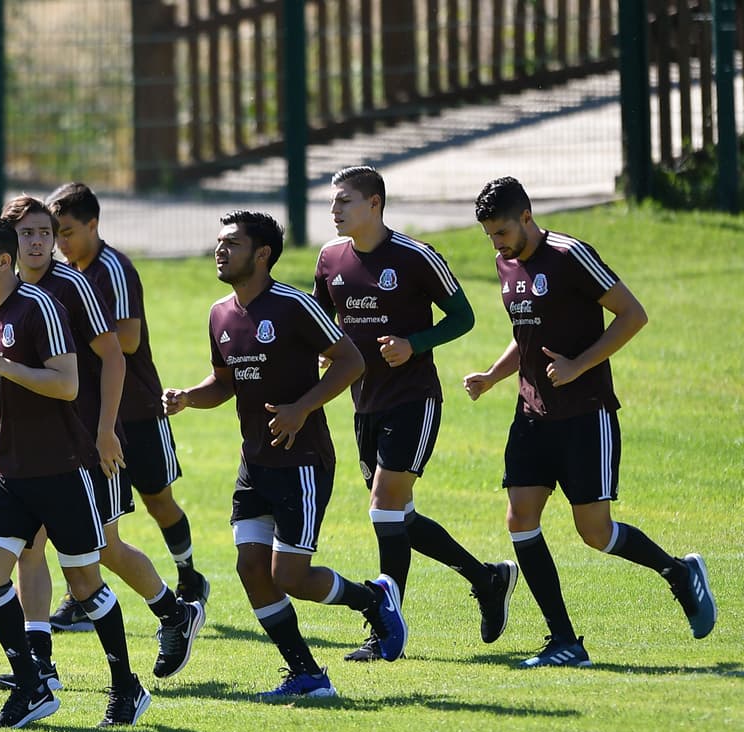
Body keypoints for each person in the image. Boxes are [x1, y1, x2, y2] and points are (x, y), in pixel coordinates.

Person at [465, 177, 715, 666]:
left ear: (527, 217)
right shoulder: (506, 265)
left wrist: (580, 364)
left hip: (585, 415)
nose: (496, 243)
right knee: (520, 519)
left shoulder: (570, 255)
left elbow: (631, 315)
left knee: (595, 533)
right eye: (490, 235)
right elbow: (529, 331)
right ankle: (565, 642)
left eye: (501, 232)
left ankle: (678, 572)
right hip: (531, 413)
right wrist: (495, 376)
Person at [163, 210, 408, 699]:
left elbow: (352, 361)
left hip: (302, 461)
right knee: (251, 569)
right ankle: (307, 674)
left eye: (231, 243)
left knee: (289, 576)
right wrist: (190, 396)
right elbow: (225, 383)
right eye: (218, 241)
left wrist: (301, 408)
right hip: (254, 464)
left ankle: (373, 599)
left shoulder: (293, 304)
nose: (220, 249)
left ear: (262, 254)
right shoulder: (219, 314)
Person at [0, 196, 203, 691]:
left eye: (48, 233)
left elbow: (115, 358)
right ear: (7, 244)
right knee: (29, 548)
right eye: (28, 234)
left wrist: (106, 431)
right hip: (37, 450)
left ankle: (173, 613)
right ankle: (41, 663)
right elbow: (26, 366)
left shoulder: (73, 285)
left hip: (86, 442)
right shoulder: (5, 296)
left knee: (102, 547)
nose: (41, 242)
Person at [313, 166, 518, 661]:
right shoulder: (329, 259)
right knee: (397, 515)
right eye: (333, 202)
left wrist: (414, 344)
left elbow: (463, 316)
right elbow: (323, 324)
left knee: (384, 505)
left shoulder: (416, 257)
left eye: (344, 201)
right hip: (363, 403)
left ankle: (386, 628)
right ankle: (487, 578)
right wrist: (325, 355)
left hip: (413, 398)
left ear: (375, 204)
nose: (334, 210)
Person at [0, 215, 149, 728]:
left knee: (85, 582)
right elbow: (16, 385)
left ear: (3, 261)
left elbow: (66, 385)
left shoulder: (42, 306)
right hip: (8, 470)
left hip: (63, 470)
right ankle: (31, 686)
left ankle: (126, 687)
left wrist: (3, 368)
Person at [44, 182, 209, 634]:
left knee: (158, 499)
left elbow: (129, 340)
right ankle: (81, 596)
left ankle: (189, 575)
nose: (61, 242)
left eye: (69, 231)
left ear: (94, 225)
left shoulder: (111, 269)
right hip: (93, 413)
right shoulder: (58, 276)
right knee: (91, 513)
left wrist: (76, 338)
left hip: (136, 408)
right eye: (55, 233)